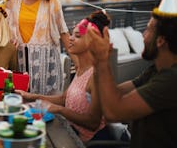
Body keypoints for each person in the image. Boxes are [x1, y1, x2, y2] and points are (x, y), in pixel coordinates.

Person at [87, 0, 177, 148]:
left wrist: (102, 60)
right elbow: (115, 92)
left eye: (149, 29)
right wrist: (96, 60)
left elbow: (113, 111)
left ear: (161, 41)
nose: (143, 35)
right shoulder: (154, 71)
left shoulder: (172, 79)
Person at [16, 10, 110, 143]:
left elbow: (93, 123)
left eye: (77, 36)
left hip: (88, 142)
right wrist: (31, 96)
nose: (70, 38)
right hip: (71, 132)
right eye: (72, 34)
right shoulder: (81, 69)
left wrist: (60, 110)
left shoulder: (96, 75)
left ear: (91, 42)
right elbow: (64, 98)